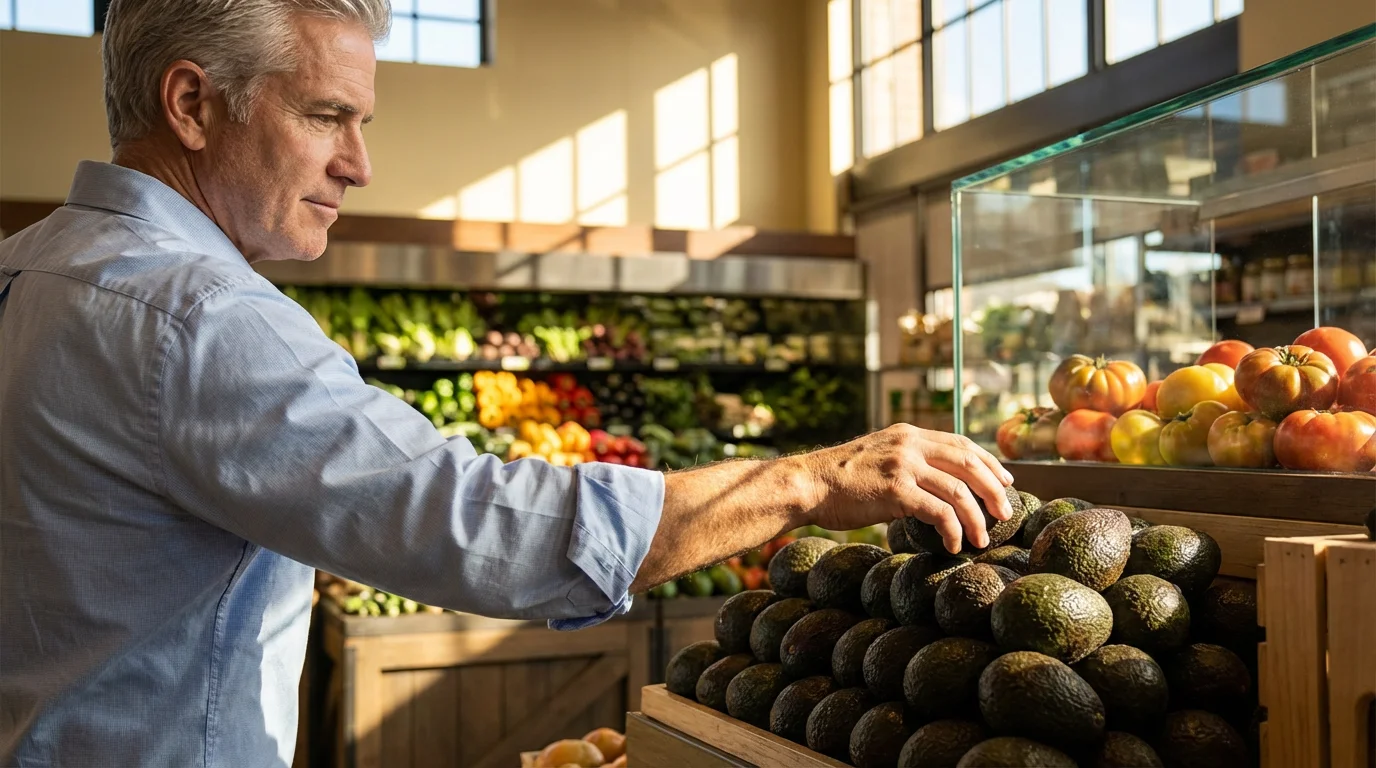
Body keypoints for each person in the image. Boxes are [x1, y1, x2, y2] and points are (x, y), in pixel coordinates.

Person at [0, 1, 1013, 765]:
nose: (357, 164)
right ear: (191, 104)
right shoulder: (197, 318)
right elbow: (478, 527)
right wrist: (813, 481)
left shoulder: (29, 269)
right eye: (324, 116)